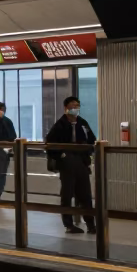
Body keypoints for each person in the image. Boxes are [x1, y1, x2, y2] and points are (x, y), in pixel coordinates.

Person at [45, 96, 97, 234]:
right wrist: (61, 155)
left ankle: (91, 224)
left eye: (77, 106)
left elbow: (92, 140)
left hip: (81, 161)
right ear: (66, 108)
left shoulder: (82, 123)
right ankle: (68, 224)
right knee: (67, 194)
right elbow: (49, 144)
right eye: (72, 106)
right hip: (66, 163)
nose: (75, 108)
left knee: (85, 194)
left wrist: (88, 151)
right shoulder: (60, 124)